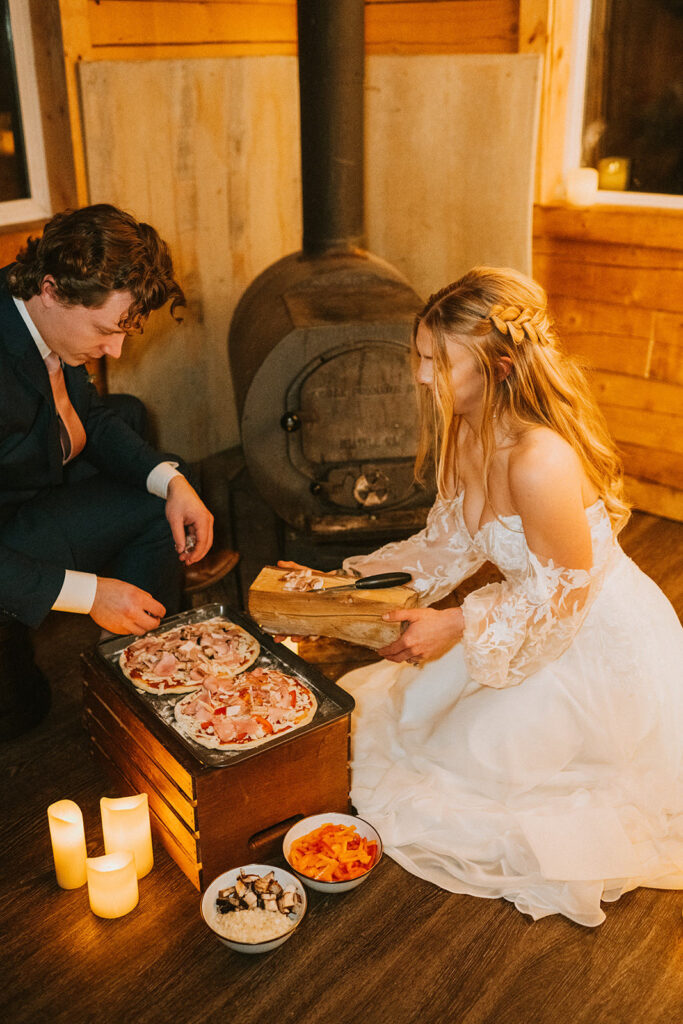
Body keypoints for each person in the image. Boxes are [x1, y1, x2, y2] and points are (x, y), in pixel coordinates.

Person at [284, 266, 683, 926]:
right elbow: (447, 545)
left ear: (497, 365)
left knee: (472, 774)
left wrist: (458, 624)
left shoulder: (538, 459)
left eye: (434, 360)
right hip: (523, 615)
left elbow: (562, 598)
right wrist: (339, 588)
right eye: (418, 355)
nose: (418, 376)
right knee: (414, 725)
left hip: (588, 641)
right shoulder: (466, 427)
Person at [0, 204, 217, 738]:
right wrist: (91, 593)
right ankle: (137, 656)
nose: (115, 349)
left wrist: (175, 482)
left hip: (30, 477)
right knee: (22, 716)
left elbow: (87, 415)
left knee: (165, 483)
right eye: (104, 330)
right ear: (51, 290)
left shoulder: (28, 299)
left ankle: (143, 672)